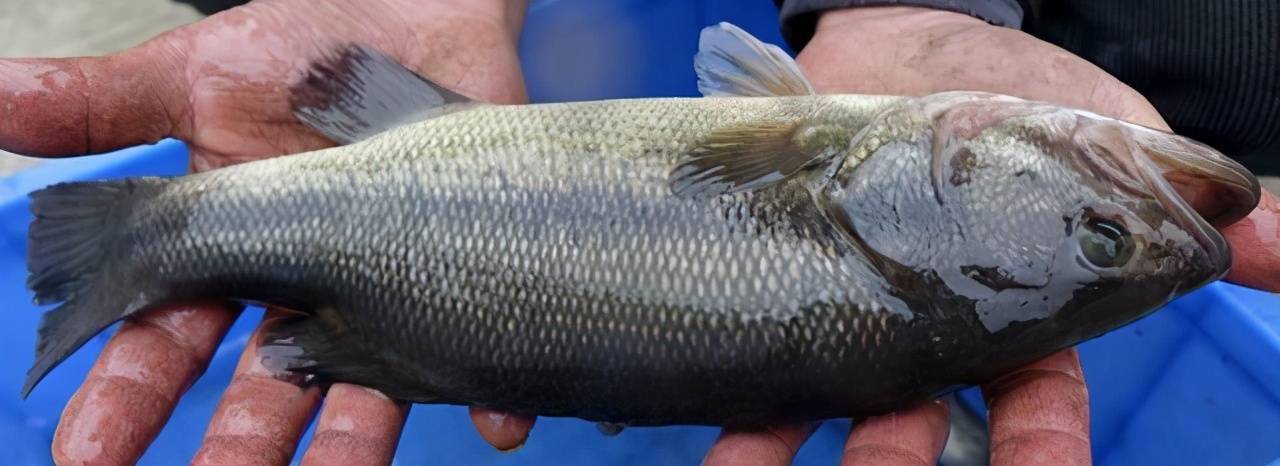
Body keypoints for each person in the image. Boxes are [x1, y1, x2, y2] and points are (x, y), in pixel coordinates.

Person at [0, 0, 1275, 464]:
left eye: (1095, 242)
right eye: (1102, 240)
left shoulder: (829, 150)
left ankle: (149, 239)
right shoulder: (843, 158)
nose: (1133, 217)